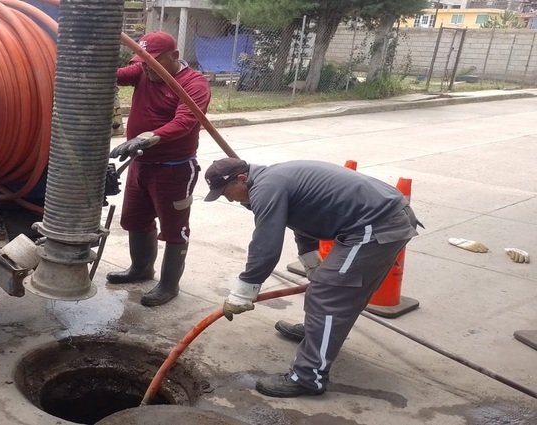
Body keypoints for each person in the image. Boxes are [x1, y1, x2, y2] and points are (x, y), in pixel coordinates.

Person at [204, 158, 421, 397]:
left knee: (328, 294)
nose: (229, 199)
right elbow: (302, 218)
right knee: (335, 289)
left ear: (242, 179)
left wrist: (244, 290)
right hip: (380, 217)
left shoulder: (266, 187)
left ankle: (308, 378)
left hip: (376, 224)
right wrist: (311, 261)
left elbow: (266, 245)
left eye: (226, 192)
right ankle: (316, 333)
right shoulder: (272, 179)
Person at [107, 31, 211, 307]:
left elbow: (185, 121)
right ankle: (141, 269)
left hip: (174, 169)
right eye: (141, 62)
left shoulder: (194, 83)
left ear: (174, 57)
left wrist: (145, 137)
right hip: (141, 164)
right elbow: (113, 74)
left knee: (175, 228)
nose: (146, 68)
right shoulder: (143, 71)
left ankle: (168, 285)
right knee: (135, 219)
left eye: (153, 62)